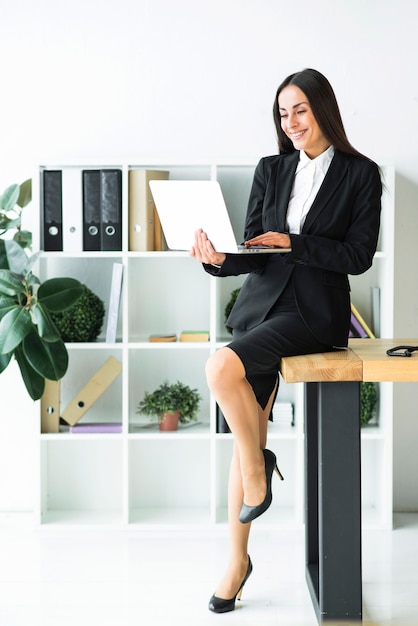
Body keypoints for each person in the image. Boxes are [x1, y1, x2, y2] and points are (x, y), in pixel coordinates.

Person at [190, 68, 382, 613]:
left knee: (220, 369)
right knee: (245, 425)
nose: (291, 123)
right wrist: (218, 259)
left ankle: (258, 470)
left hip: (314, 313)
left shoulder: (360, 173)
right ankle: (237, 559)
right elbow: (253, 249)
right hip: (261, 307)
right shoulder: (271, 170)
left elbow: (358, 257)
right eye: (282, 113)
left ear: (323, 109)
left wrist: (295, 243)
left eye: (300, 110)